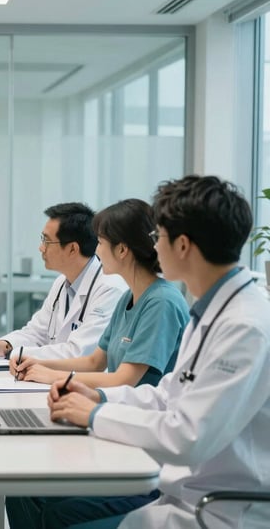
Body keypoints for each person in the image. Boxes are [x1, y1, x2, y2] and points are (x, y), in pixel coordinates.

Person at [48, 176, 270, 529]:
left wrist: (94, 415)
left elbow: (187, 437)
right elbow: (170, 394)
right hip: (184, 493)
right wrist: (99, 395)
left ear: (182, 245)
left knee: (61, 516)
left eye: (157, 237)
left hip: (219, 511)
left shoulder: (245, 325)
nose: (152, 246)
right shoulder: (214, 310)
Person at [5, 199, 190, 528]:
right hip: (121, 431)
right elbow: (94, 360)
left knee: (54, 511)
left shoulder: (161, 302)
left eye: (101, 243)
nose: (95, 251)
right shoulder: (128, 298)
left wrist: (49, 375)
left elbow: (126, 378)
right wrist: (39, 367)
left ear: (122, 250)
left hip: (146, 452)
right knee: (21, 490)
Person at [0, 202, 126, 361]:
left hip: (85, 383)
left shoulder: (110, 288)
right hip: (53, 378)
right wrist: (4, 345)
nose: (41, 248)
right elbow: (37, 332)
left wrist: (13, 354)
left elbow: (79, 352)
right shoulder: (62, 282)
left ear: (72, 249)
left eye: (47, 241)